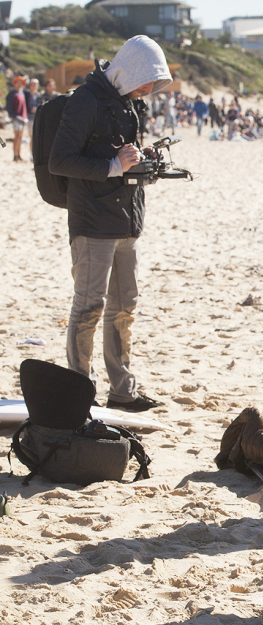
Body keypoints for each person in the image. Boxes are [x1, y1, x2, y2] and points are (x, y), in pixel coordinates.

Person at [49, 35, 172, 412]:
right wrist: (114, 165)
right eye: (147, 79)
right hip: (91, 222)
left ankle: (122, 391)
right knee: (89, 306)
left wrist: (142, 161)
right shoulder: (86, 100)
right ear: (129, 69)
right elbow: (60, 161)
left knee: (125, 307)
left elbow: (121, 153)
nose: (149, 89)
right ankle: (78, 392)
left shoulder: (128, 103)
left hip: (127, 218)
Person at [5, 74, 28, 161]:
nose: (19, 84)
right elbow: (9, 107)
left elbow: (24, 106)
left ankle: (19, 154)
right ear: (15, 83)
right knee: (16, 137)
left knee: (20, 137)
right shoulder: (12, 93)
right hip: (16, 118)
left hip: (23, 118)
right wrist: (13, 116)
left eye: (21, 82)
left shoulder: (22, 93)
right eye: (18, 82)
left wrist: (25, 117)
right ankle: (15, 155)